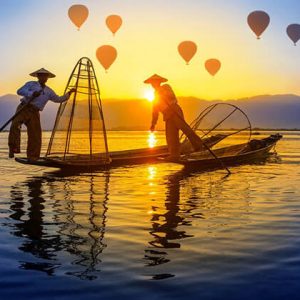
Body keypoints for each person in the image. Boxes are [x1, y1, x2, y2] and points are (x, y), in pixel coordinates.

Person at [8, 68, 76, 160]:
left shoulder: (49, 91)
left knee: (35, 134)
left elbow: (58, 99)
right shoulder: (31, 84)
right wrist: (31, 93)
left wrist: (69, 93)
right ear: (38, 76)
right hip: (24, 108)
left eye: (45, 76)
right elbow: (19, 91)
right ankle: (13, 148)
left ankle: (33, 156)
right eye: (41, 75)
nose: (43, 77)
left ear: (47, 78)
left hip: (35, 112)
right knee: (15, 125)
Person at [144, 74, 203, 161]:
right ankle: (174, 155)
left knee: (184, 128)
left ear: (159, 82)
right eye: (152, 83)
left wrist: (162, 93)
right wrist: (153, 124)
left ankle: (198, 145)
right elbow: (155, 110)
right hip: (167, 114)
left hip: (174, 110)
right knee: (171, 135)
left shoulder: (166, 87)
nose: (153, 84)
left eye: (154, 82)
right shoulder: (155, 94)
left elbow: (171, 96)